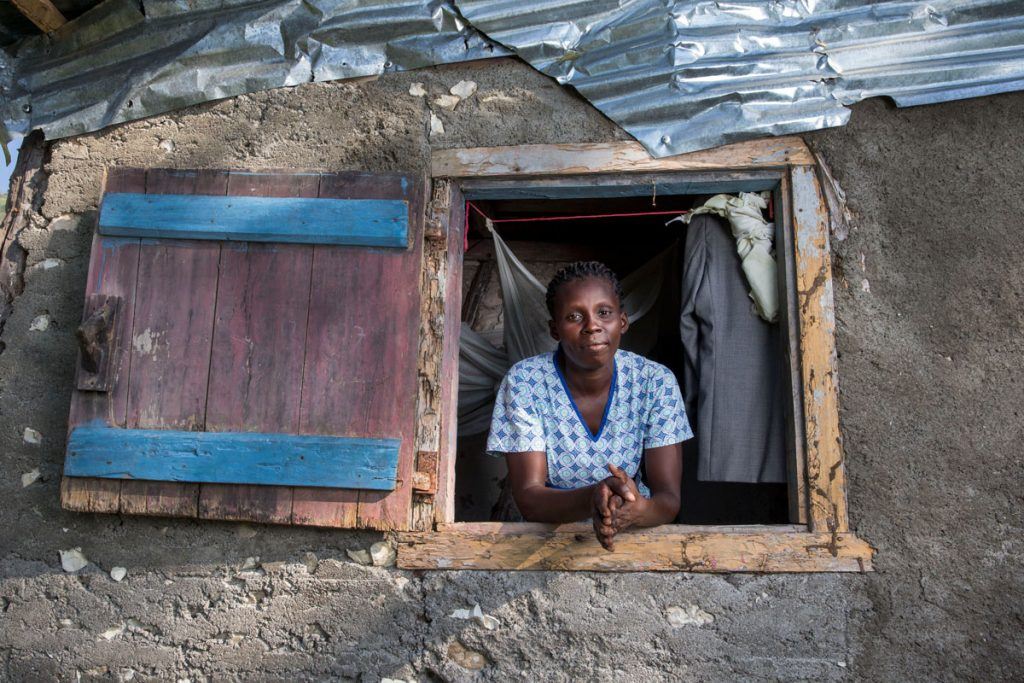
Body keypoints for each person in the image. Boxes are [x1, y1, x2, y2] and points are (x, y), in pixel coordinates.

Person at [486, 261, 693, 550]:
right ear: (555, 329)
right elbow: (530, 498)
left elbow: (668, 500)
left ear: (622, 321)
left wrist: (635, 510)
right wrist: (593, 498)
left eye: (604, 313)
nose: (592, 326)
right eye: (574, 316)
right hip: (543, 537)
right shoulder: (525, 382)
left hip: (630, 531)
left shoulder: (654, 381)